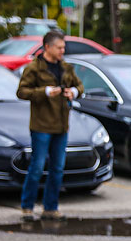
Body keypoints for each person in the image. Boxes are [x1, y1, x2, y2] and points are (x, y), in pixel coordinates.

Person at [16, 30, 83, 221]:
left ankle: (50, 207)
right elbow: (21, 92)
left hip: (62, 126)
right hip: (41, 125)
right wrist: (44, 92)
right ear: (47, 47)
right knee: (37, 167)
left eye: (63, 47)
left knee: (58, 168)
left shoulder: (66, 68)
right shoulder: (34, 68)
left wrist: (74, 93)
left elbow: (80, 86)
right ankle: (27, 206)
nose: (63, 50)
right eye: (59, 47)